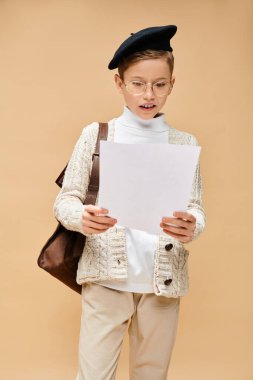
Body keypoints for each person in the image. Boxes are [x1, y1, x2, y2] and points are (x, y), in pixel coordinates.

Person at [53, 25, 206, 380]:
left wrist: (193, 224)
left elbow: (195, 206)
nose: (148, 93)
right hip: (106, 279)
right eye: (137, 83)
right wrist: (82, 217)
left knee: (152, 374)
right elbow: (66, 201)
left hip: (162, 283)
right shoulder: (97, 135)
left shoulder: (183, 143)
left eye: (159, 84)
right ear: (119, 84)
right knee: (93, 375)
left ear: (172, 83)